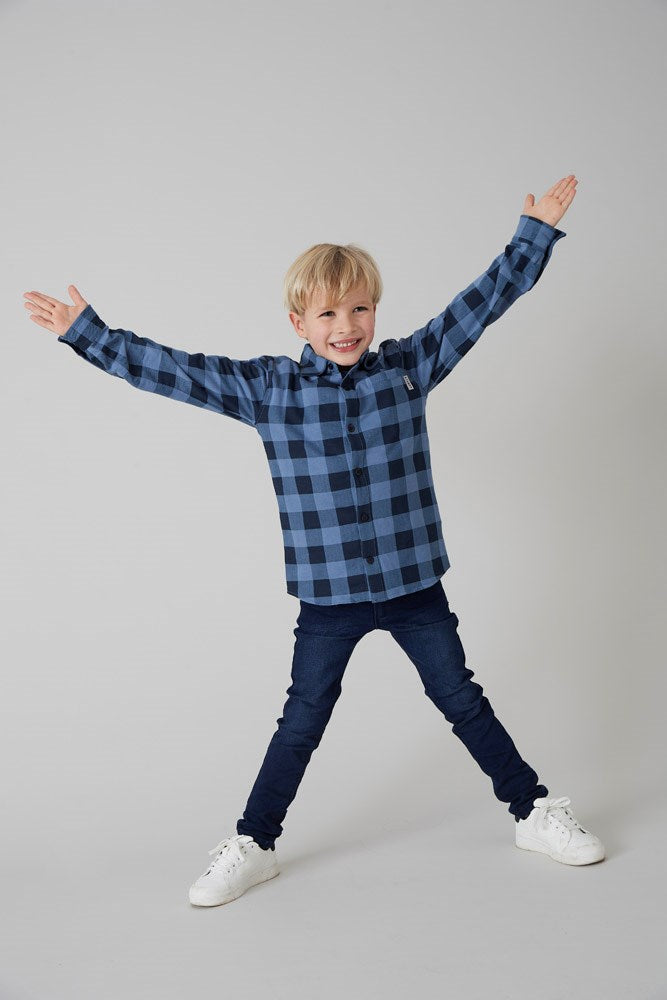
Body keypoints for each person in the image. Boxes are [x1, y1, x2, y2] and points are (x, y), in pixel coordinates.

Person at [23, 173, 605, 909]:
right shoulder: (270, 390)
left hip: (414, 586)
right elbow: (175, 372)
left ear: (374, 310)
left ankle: (532, 811)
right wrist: (89, 334)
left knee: (461, 698)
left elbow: (481, 303)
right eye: (328, 312)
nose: (346, 325)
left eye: (359, 308)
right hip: (329, 599)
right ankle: (254, 843)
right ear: (299, 322)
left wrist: (532, 236)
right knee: (302, 720)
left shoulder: (407, 368)